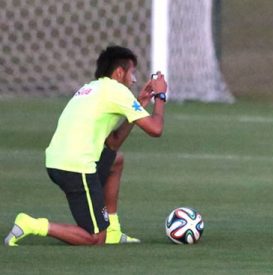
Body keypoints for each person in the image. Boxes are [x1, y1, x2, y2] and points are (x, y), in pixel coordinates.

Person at [4, 45, 168, 246]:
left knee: (115, 161)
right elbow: (156, 129)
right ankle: (31, 224)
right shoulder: (117, 91)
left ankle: (114, 231)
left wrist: (141, 103)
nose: (134, 79)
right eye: (132, 72)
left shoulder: (91, 87)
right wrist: (161, 96)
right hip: (75, 167)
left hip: (58, 161)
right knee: (95, 238)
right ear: (119, 72)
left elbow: (113, 142)